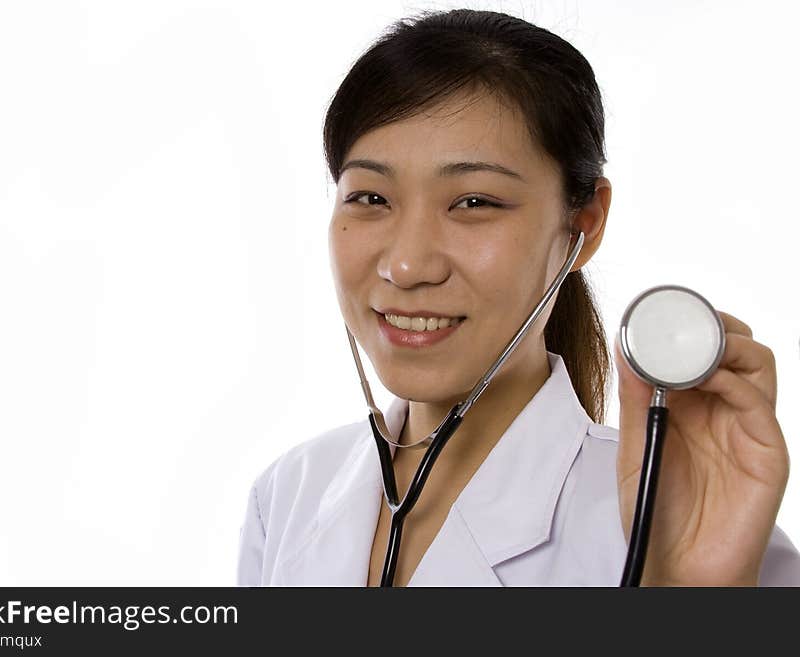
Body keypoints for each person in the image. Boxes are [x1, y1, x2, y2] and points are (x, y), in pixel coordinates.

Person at [236, 8, 800, 586]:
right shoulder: (287, 497)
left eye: (475, 202)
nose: (407, 265)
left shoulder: (691, 529)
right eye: (371, 198)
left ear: (584, 224)